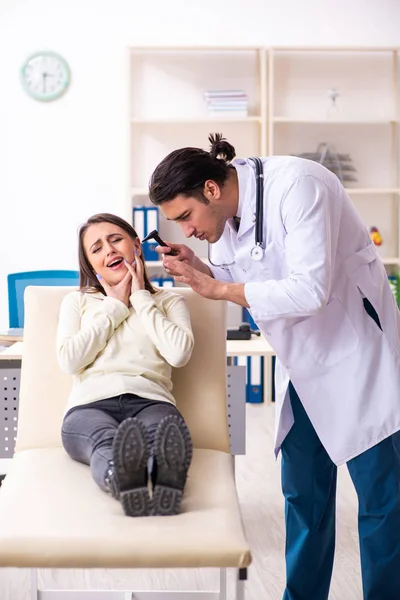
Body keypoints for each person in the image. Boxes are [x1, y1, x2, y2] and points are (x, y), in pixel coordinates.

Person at [148, 134, 400, 599]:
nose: (186, 230)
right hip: (302, 366)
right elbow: (251, 274)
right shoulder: (224, 221)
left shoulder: (299, 186)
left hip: (358, 355)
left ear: (210, 190)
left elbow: (309, 289)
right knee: (304, 497)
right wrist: (204, 270)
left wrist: (219, 290)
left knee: (382, 502)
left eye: (185, 217)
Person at [56, 213, 194, 518]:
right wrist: (115, 306)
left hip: (151, 402)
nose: (109, 250)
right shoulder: (77, 302)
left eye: (115, 239)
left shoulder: (169, 302)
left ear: (136, 244)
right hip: (89, 407)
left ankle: (166, 484)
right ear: (92, 265)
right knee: (105, 442)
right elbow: (69, 359)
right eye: (97, 248)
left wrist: (141, 298)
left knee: (163, 434)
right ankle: (122, 479)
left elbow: (179, 353)